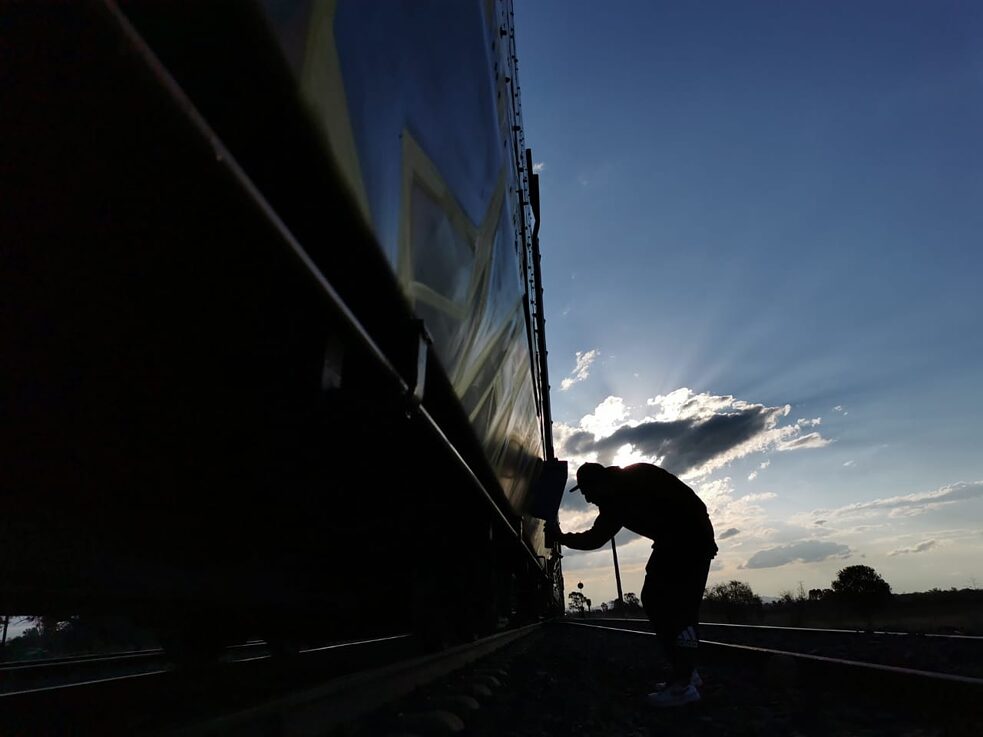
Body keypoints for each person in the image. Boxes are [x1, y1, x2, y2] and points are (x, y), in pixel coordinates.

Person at [548, 462, 717, 707]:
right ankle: (686, 673)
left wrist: (561, 537)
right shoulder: (621, 490)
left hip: (686, 539)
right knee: (666, 603)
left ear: (600, 484)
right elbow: (596, 537)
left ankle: (682, 685)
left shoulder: (624, 490)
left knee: (671, 605)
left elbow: (596, 538)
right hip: (681, 539)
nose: (587, 499)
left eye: (587, 492)